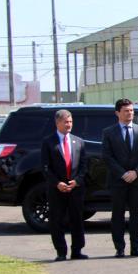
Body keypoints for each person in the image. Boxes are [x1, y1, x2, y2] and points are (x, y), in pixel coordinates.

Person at [102, 98, 138, 257]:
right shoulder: (109, 132)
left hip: (137, 180)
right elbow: (107, 156)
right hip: (118, 180)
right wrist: (123, 174)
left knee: (137, 214)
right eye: (126, 111)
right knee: (117, 215)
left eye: (131, 110)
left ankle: (136, 246)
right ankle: (119, 248)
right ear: (117, 113)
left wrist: (136, 172)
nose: (130, 113)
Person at [41, 109, 88, 261]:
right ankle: (61, 251)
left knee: (77, 219)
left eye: (70, 122)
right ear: (57, 123)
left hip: (75, 188)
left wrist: (77, 181)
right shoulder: (48, 142)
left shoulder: (78, 141)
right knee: (57, 220)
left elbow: (83, 166)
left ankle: (77, 250)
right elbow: (45, 167)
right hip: (57, 188)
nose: (69, 125)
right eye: (65, 122)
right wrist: (57, 183)